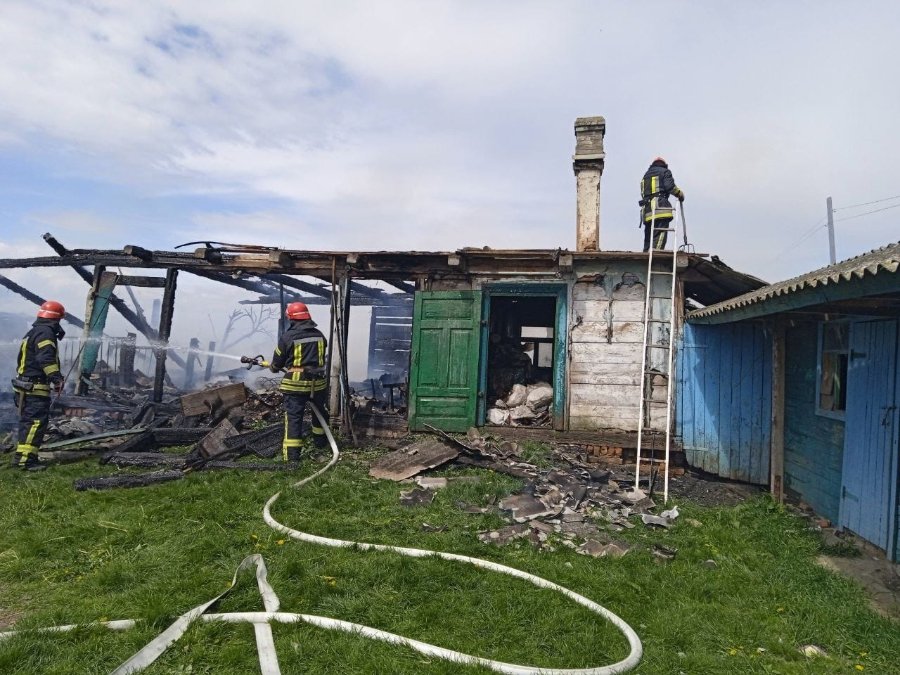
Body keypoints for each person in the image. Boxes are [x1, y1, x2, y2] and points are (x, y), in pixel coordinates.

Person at [270, 302, 329, 461]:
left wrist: (274, 368)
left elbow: (277, 363)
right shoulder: (319, 335)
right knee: (320, 415)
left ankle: (292, 458)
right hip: (318, 384)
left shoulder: (288, 337)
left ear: (291, 318)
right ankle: (321, 445)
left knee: (294, 419)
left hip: (296, 386)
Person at [11, 300, 66, 471]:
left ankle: (22, 457)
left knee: (28, 424)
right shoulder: (45, 333)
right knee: (34, 424)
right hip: (35, 389)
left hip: (25, 387)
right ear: (56, 319)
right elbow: (46, 359)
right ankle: (25, 461)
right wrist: (57, 379)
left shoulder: (34, 331)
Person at [640, 157, 685, 252]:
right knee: (660, 234)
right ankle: (656, 255)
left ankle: (646, 255)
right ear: (664, 164)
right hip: (660, 209)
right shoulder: (665, 171)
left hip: (647, 211)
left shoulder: (646, 175)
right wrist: (680, 194)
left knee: (648, 237)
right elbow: (670, 187)